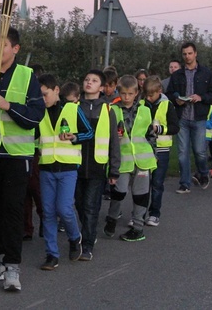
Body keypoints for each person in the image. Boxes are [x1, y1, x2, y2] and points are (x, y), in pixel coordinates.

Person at [0, 27, 44, 292]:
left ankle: (13, 266)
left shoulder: (27, 76)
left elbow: (36, 115)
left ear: (15, 49)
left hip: (17, 154)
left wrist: (8, 107)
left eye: (2, 45)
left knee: (13, 210)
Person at [34, 74, 82, 270]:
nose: (42, 99)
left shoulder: (72, 109)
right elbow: (34, 137)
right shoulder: (38, 113)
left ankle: (75, 237)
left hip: (68, 168)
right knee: (48, 213)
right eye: (39, 96)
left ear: (56, 91)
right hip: (46, 168)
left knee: (64, 209)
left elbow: (89, 132)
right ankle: (52, 254)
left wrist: (75, 136)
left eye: (45, 94)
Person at [104, 75, 157, 242]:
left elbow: (150, 133)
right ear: (119, 93)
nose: (127, 97)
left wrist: (153, 153)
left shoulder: (145, 110)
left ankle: (138, 228)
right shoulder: (113, 110)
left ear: (136, 93)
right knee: (118, 192)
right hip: (121, 160)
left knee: (141, 194)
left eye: (130, 93)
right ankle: (112, 218)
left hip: (143, 159)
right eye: (124, 93)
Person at [74, 69, 120, 260]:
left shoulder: (108, 110)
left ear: (101, 88)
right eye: (86, 79)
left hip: (96, 167)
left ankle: (87, 245)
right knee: (79, 204)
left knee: (91, 206)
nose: (89, 82)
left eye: (94, 81)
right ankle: (88, 233)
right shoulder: (74, 106)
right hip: (75, 165)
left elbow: (113, 142)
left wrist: (114, 169)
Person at [165, 42, 212, 193]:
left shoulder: (206, 73)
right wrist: (177, 99)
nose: (187, 56)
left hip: (199, 117)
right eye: (184, 54)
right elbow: (169, 93)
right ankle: (185, 183)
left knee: (200, 152)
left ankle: (203, 172)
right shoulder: (177, 75)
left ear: (195, 54)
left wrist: (201, 97)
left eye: (190, 53)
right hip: (182, 118)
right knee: (182, 153)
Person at [142, 76, 179, 227]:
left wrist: (161, 129)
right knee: (143, 183)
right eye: (147, 95)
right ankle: (139, 213)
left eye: (151, 95)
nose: (149, 98)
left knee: (157, 182)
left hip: (161, 148)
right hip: (144, 147)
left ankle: (154, 213)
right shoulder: (142, 104)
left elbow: (175, 127)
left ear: (159, 91)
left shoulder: (167, 105)